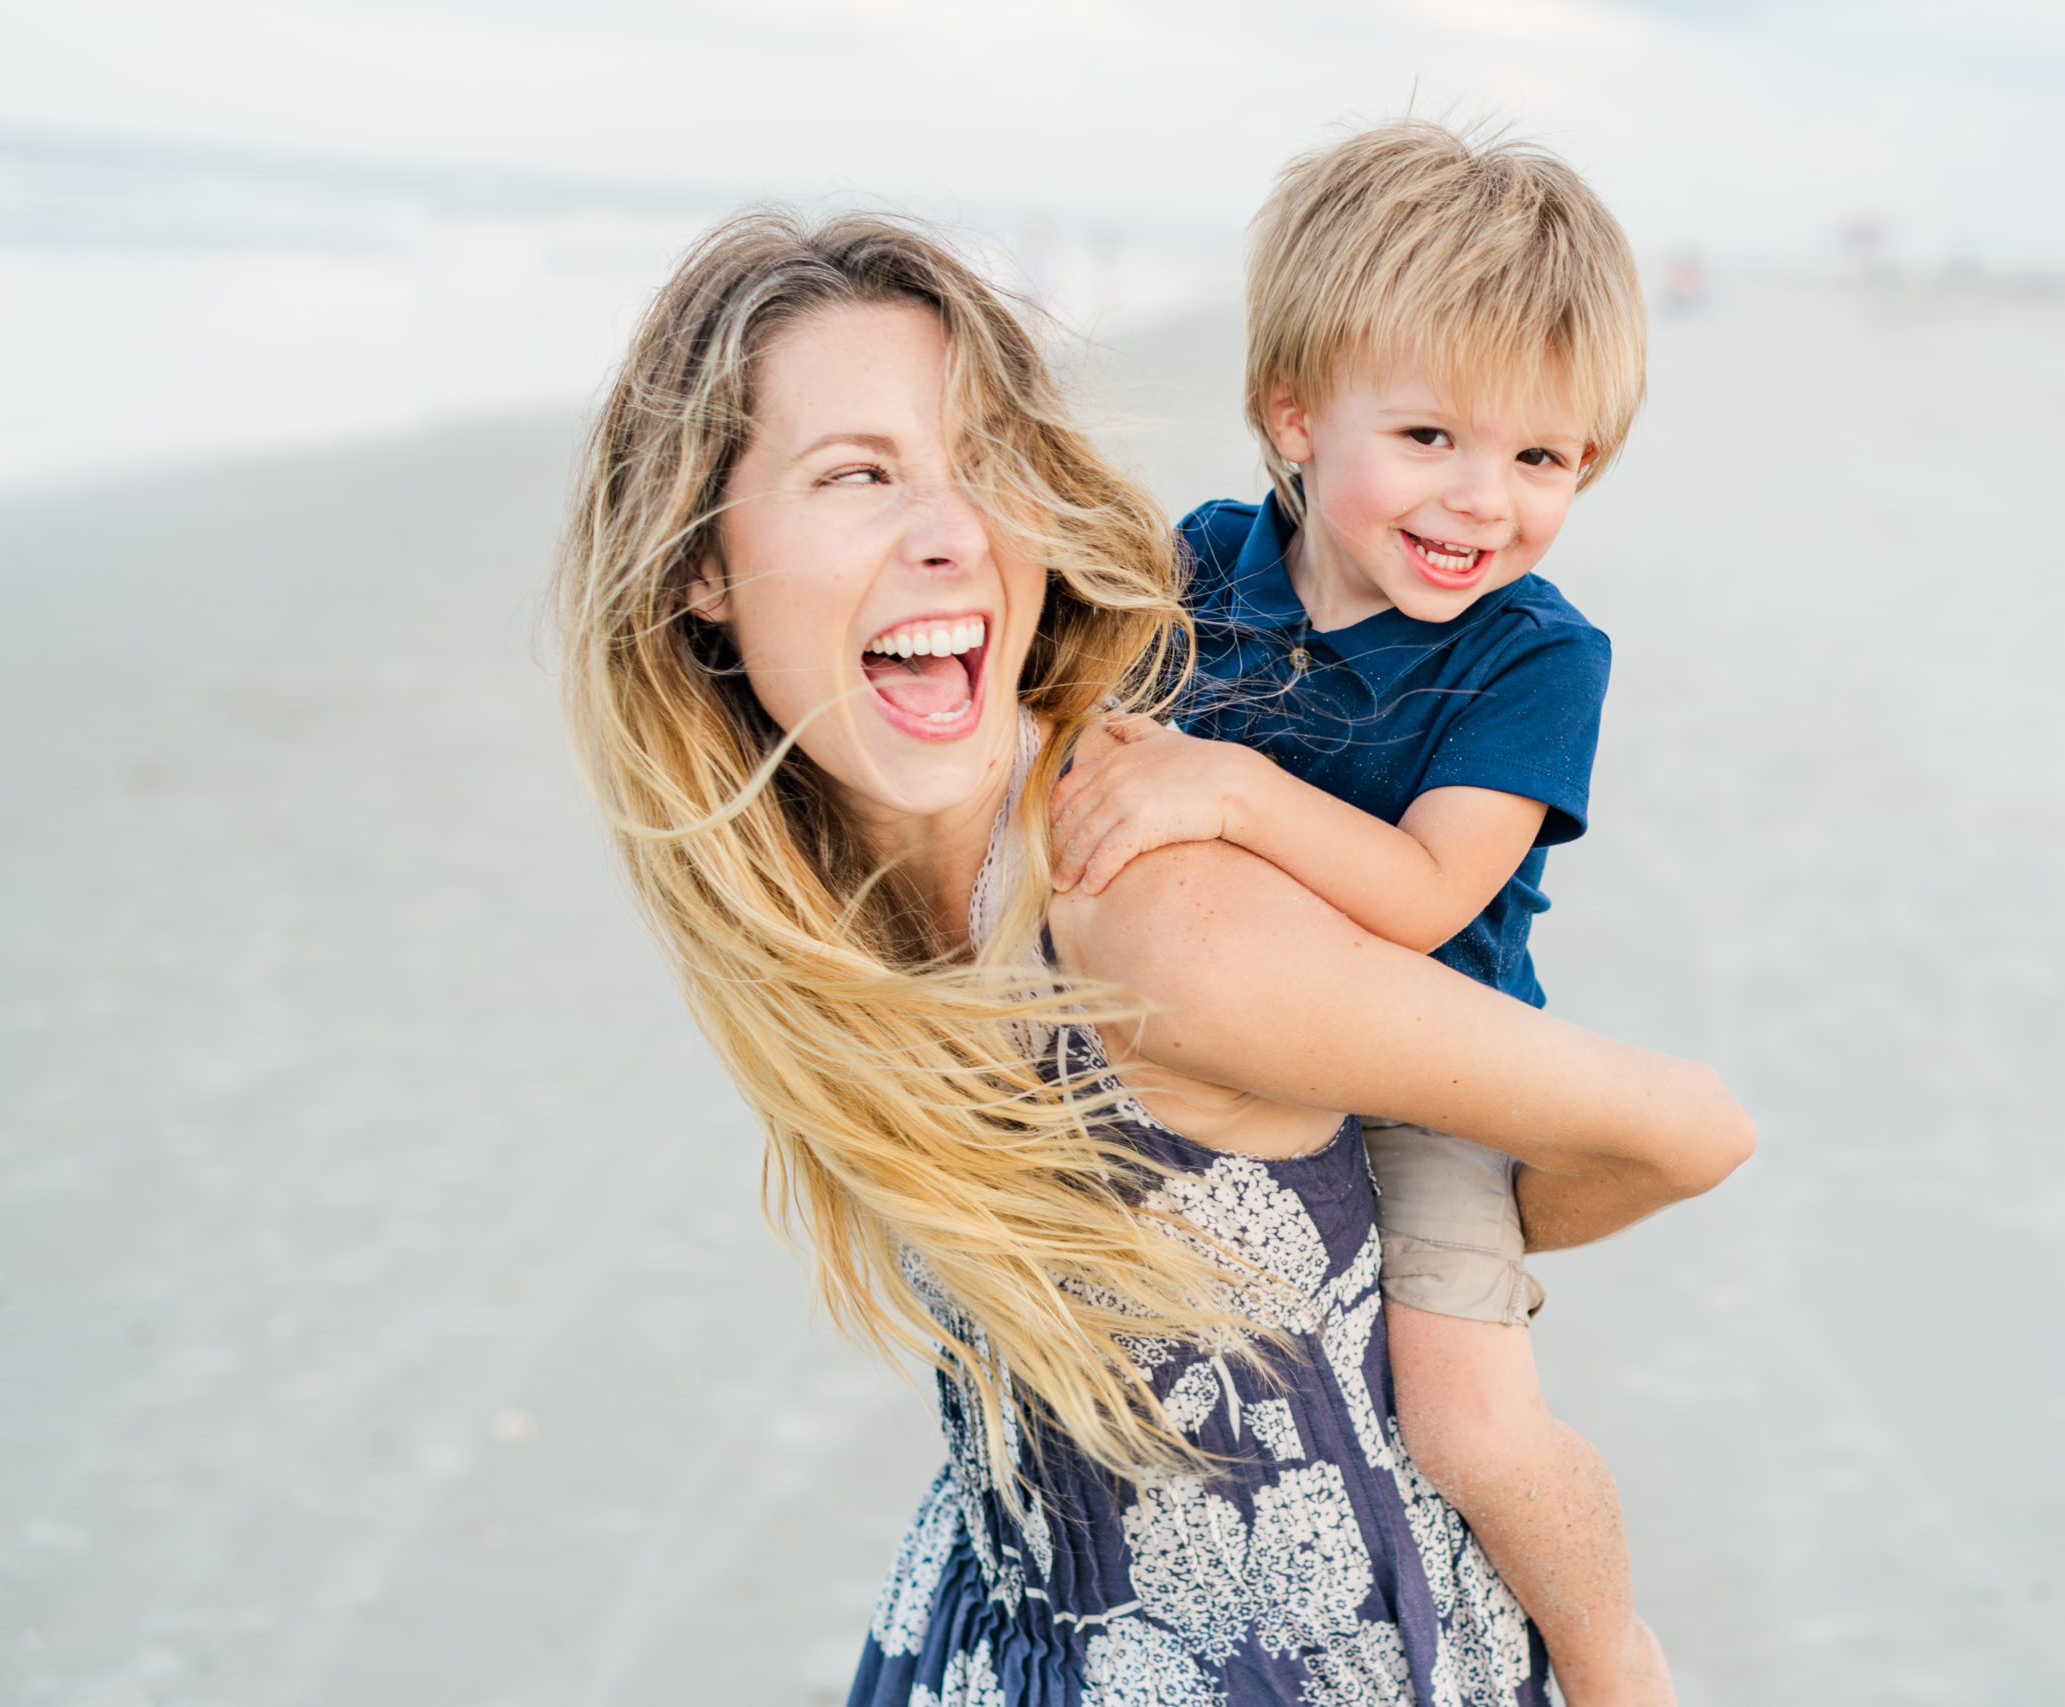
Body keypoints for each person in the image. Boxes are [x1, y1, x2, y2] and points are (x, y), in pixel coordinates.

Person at [554, 209, 1754, 1706]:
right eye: (859, 474)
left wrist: (1436, 1236)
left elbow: (1688, 1121)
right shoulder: (841, 907)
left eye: (982, 463)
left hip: (1320, 1655)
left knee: (1479, 1425)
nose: (949, 530)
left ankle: (1618, 1660)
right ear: (698, 569)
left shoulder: (1160, 916)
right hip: (1002, 1625)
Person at [1047, 122, 1667, 1701]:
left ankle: (1610, 1657)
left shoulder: (1535, 656)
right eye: (1434, 436)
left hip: (1422, 1057)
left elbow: (1430, 893)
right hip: (1210, 1045)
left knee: (1462, 1411)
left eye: (1545, 460)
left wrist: (1233, 792)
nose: (1486, 501)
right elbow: (1099, 748)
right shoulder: (1203, 563)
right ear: (1297, 414)